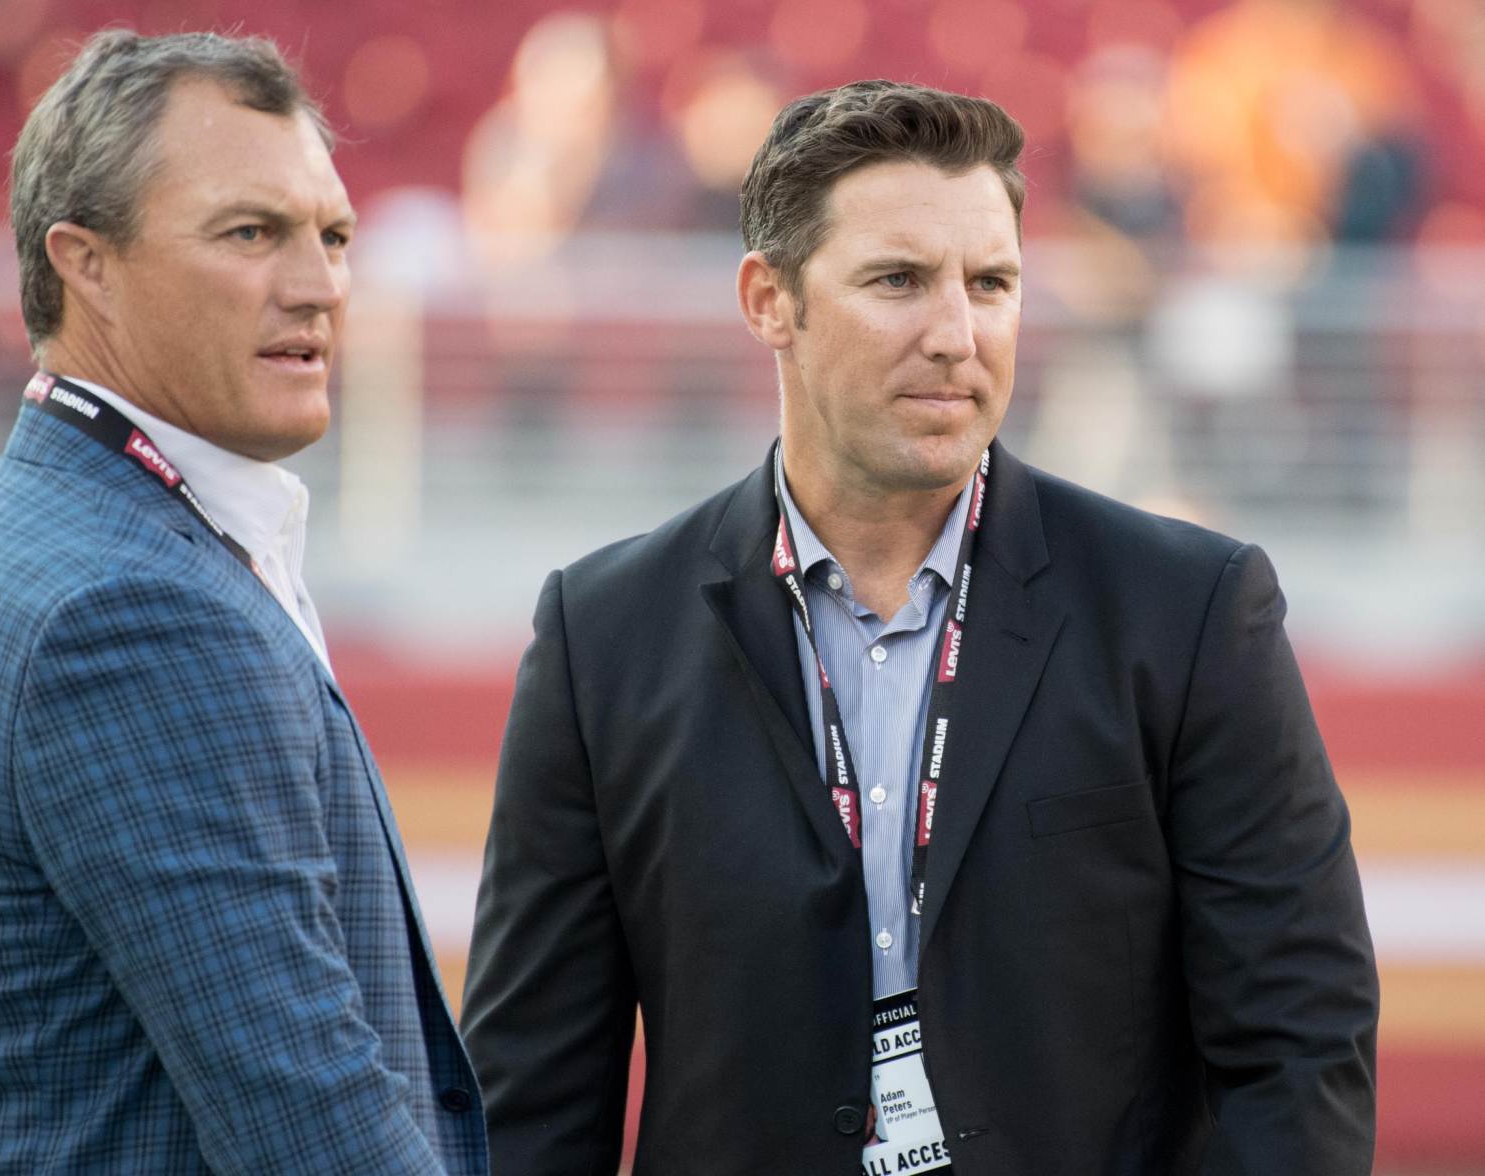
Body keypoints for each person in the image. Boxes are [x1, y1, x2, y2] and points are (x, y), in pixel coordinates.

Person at [462, 81, 1378, 1175]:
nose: (955, 334)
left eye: (989, 283)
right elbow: (530, 1097)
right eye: (896, 281)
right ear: (768, 301)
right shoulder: (600, 635)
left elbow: (1297, 1049)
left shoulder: (1187, 611)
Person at [0, 30, 486, 1174]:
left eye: (332, 236)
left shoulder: (57, 524)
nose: (320, 283)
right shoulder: (129, 609)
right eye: (250, 233)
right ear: (84, 262)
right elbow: (311, 1122)